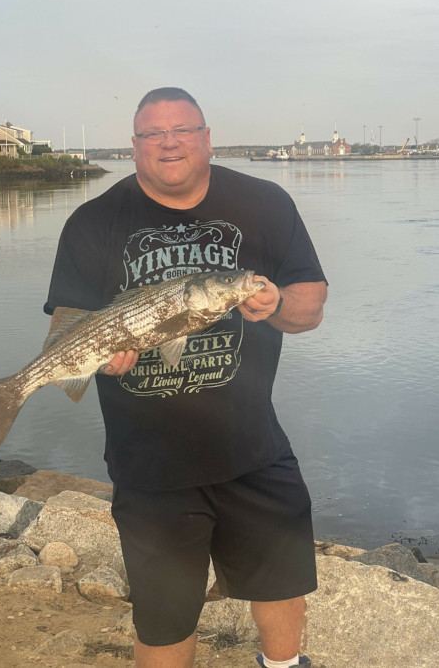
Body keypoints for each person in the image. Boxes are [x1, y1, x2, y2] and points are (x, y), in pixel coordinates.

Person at [44, 87, 328, 668]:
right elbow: (66, 331)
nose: (168, 142)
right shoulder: (93, 221)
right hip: (149, 464)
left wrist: (274, 302)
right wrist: (101, 353)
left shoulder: (264, 203)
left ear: (206, 138)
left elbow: (310, 307)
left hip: (254, 446)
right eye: (152, 134)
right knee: (164, 613)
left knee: (280, 584)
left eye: (182, 130)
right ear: (134, 147)